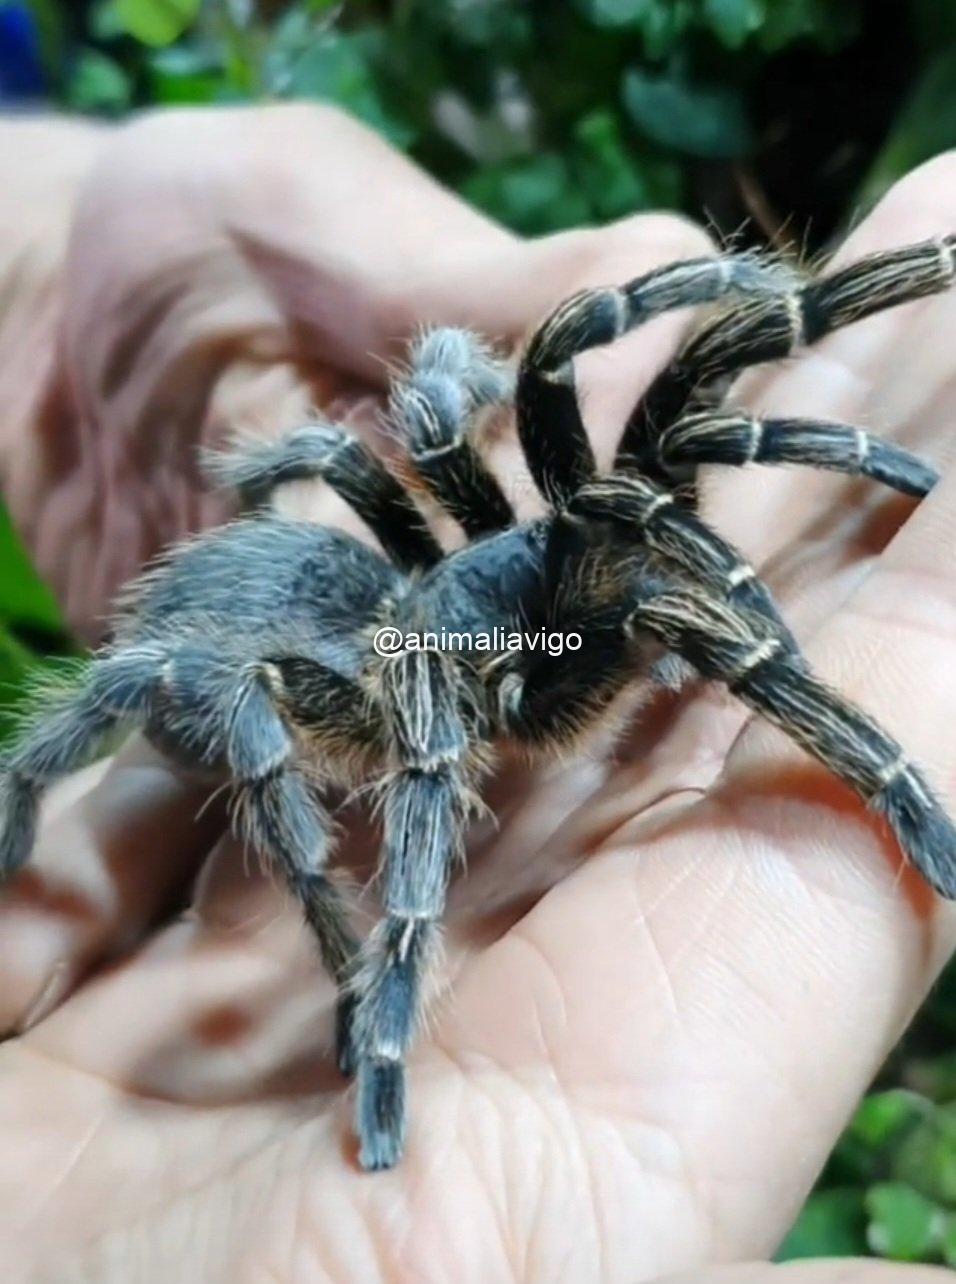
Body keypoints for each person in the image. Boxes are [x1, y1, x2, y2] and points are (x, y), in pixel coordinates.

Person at [0, 103, 953, 1284]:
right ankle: (381, 983)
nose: (634, 518)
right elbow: (412, 531)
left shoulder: (566, 528)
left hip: (388, 602)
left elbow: (461, 394)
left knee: (579, 379)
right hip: (372, 659)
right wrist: (370, 949)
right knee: (413, 677)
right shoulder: (535, 641)